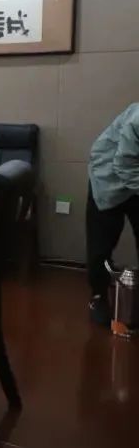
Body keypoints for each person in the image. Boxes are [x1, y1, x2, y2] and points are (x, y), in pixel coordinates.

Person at [86, 103, 139, 327]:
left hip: (135, 182)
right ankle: (98, 296)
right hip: (109, 179)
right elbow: (124, 165)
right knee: (101, 246)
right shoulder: (137, 121)